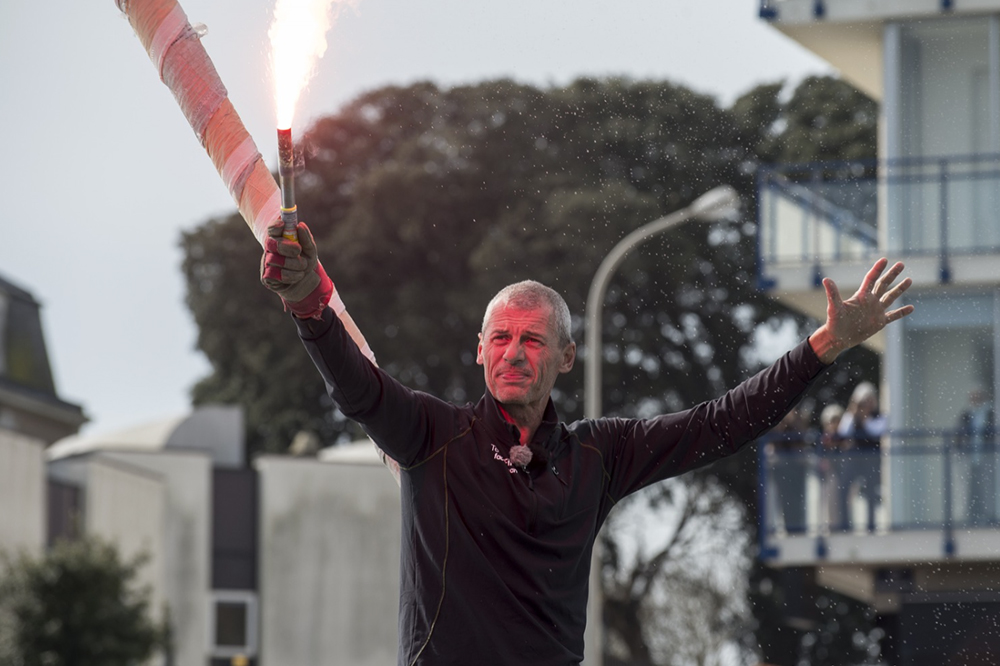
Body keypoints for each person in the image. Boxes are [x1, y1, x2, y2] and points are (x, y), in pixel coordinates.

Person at [260, 220, 914, 665]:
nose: (514, 353)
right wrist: (309, 305)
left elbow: (720, 424)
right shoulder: (433, 434)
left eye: (533, 339)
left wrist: (822, 347)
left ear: (566, 356)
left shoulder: (597, 455)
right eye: (501, 338)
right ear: (480, 350)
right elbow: (359, 391)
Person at [837, 381, 885, 532]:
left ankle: (871, 525)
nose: (866, 405)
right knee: (844, 489)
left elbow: (876, 431)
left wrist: (865, 417)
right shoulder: (851, 415)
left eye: (868, 400)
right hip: (853, 458)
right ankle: (845, 525)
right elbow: (843, 432)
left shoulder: (878, 416)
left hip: (871, 458)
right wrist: (853, 412)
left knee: (871, 492)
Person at [955, 385, 996, 526]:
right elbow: (958, 435)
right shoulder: (966, 415)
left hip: (987, 457)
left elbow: (992, 434)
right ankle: (970, 516)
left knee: (987, 488)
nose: (975, 399)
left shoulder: (990, 414)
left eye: (977, 396)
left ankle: (989, 516)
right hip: (969, 458)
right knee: (970, 489)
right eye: (972, 397)